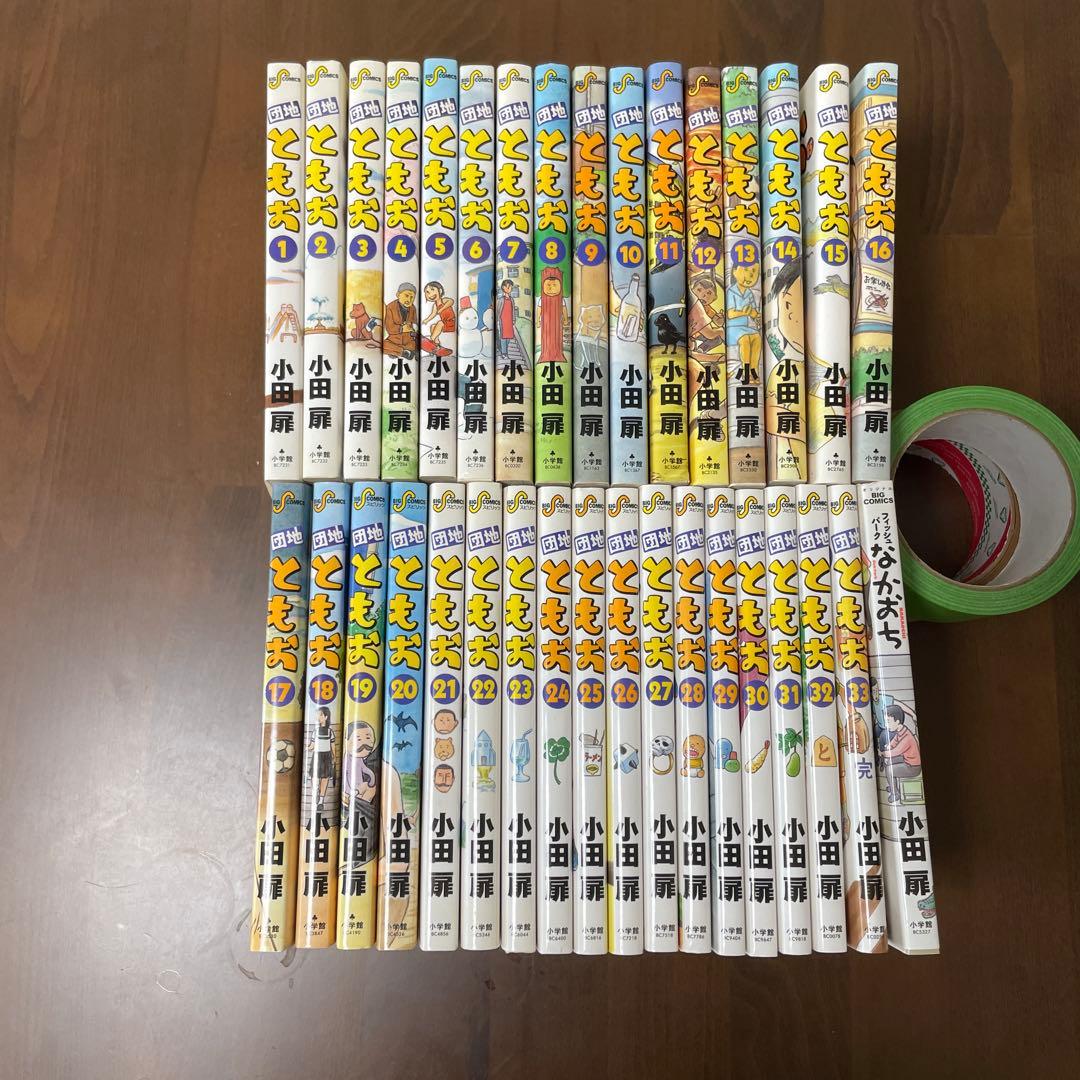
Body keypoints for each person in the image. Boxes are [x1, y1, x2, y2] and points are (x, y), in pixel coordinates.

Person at [878, 703, 922, 803]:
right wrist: (889, 746)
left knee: (890, 770)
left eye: (888, 722)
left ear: (897, 721)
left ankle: (895, 794)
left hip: (913, 767)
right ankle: (892, 785)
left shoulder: (907, 737)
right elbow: (894, 742)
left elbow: (896, 751)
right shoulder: (901, 731)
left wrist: (883, 753)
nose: (886, 725)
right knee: (888, 762)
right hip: (906, 759)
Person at [310, 705, 336, 811]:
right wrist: (306, 747)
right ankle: (316, 791)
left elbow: (333, 746)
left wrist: (334, 758)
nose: (319, 717)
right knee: (314, 777)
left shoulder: (330, 732)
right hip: (317, 755)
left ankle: (321, 801)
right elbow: (311, 746)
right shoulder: (315, 731)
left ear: (326, 717)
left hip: (327, 756)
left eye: (321, 715)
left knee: (325, 779)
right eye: (318, 715)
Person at [382, 283, 418, 358]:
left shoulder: (413, 308)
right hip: (394, 339)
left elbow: (414, 323)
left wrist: (413, 330)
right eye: (406, 296)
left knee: (417, 343)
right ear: (398, 295)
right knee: (381, 345)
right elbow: (389, 328)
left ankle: (397, 351)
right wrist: (402, 329)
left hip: (408, 339)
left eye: (412, 297)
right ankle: (403, 352)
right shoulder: (390, 307)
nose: (409, 300)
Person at [420, 281, 454, 357]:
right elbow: (433, 314)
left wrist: (442, 309)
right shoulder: (435, 305)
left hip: (451, 322)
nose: (430, 294)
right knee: (433, 326)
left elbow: (451, 301)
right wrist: (426, 320)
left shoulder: (443, 300)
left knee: (440, 323)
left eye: (432, 290)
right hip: (445, 323)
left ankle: (431, 340)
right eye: (427, 292)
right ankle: (436, 344)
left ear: (440, 291)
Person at [497, 279, 516, 359]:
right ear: (503, 287)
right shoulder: (500, 299)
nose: (509, 288)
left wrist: (513, 319)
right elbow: (498, 310)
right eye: (507, 287)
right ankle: (504, 353)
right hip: (503, 320)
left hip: (509, 320)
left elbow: (513, 310)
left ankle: (504, 351)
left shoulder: (511, 299)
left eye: (510, 287)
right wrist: (497, 320)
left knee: (509, 337)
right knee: (503, 336)